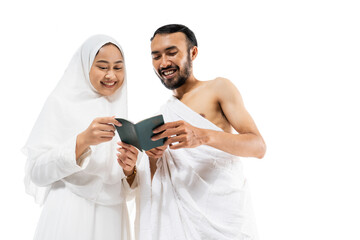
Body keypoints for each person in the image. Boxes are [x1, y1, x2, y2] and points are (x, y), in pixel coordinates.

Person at [135, 24, 266, 240]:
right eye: (156, 56)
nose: (164, 62)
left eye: (171, 52)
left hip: (223, 217)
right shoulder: (164, 114)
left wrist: (202, 135)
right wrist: (153, 158)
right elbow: (158, 181)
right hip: (181, 223)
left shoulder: (218, 88)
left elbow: (258, 147)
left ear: (193, 53)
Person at [22, 35, 139, 240]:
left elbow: (121, 185)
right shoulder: (61, 103)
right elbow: (36, 172)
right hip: (70, 212)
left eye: (118, 68)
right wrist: (82, 141)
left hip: (112, 218)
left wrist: (130, 171)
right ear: (85, 66)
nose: (111, 75)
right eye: (102, 67)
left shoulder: (120, 107)